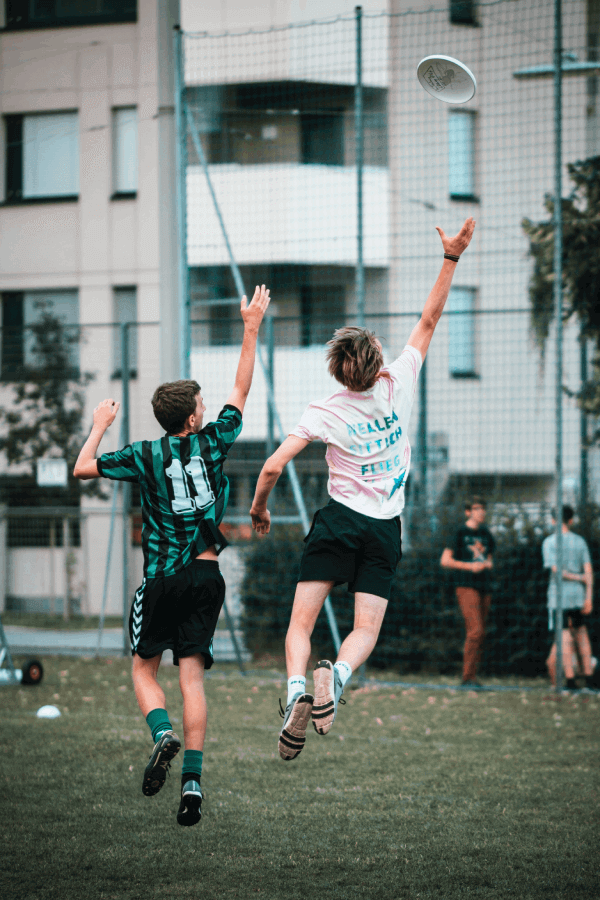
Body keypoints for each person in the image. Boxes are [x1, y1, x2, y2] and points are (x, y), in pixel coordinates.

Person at [249, 217, 476, 760]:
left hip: (337, 520)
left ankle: (297, 692)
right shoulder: (400, 382)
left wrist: (260, 508)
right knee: (366, 627)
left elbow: (273, 468)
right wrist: (450, 258)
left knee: (300, 623)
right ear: (377, 362)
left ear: (338, 371)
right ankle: (338, 677)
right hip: (383, 526)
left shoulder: (324, 410)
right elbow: (429, 317)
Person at [74, 285, 270, 825]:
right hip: (207, 579)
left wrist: (98, 427)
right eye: (201, 405)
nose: (208, 408)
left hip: (161, 579)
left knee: (142, 670)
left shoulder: (144, 453)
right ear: (191, 418)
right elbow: (242, 386)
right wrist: (250, 326)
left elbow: (83, 469)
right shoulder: (214, 441)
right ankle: (193, 788)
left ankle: (162, 735)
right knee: (192, 680)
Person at [440, 497, 495, 689]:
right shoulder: (459, 532)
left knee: (480, 633)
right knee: (475, 631)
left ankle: (473, 677)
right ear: (468, 511)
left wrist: (486, 564)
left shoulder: (487, 534)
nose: (481, 512)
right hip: (466, 585)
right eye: (477, 508)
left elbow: (490, 560)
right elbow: (445, 560)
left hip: (484, 586)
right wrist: (470, 567)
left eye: (483, 508)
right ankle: (467, 678)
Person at [542, 505, 595, 691]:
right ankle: (589, 679)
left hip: (559, 596)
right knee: (582, 635)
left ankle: (570, 681)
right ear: (571, 520)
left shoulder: (549, 542)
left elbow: (556, 571)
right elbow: (589, 572)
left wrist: (576, 576)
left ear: (553, 520)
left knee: (564, 636)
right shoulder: (580, 542)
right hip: (579, 595)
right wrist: (589, 597)